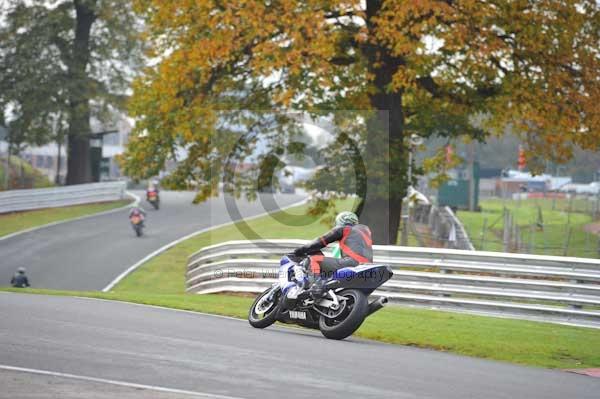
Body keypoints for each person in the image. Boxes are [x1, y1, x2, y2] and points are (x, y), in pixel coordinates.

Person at [293, 211, 373, 297]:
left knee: (314, 259)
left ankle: (315, 287)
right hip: (367, 265)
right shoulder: (365, 231)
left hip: (352, 263)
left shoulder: (344, 229)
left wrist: (299, 250)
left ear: (340, 221)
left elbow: (320, 241)